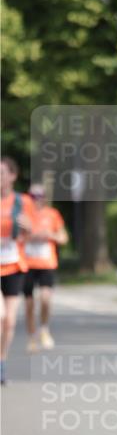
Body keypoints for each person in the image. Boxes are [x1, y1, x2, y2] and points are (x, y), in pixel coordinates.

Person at [0, 157, 36, 385]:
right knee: (0, 316)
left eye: (3, 172)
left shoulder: (22, 202)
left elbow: (31, 234)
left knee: (10, 321)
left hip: (14, 264)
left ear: (13, 175)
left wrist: (28, 228)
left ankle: (1, 362)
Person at [24, 183, 68, 352]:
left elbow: (63, 238)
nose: (36, 200)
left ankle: (44, 328)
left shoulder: (52, 214)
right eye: (32, 197)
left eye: (39, 197)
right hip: (27, 264)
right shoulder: (23, 215)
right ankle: (31, 337)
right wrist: (30, 237)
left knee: (45, 298)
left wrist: (50, 235)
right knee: (28, 304)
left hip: (47, 263)